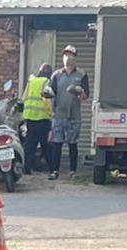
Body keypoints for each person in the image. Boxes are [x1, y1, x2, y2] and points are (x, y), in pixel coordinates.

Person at [48, 45, 90, 178]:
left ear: (75, 57)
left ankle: (73, 171)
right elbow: (51, 93)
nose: (67, 57)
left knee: (73, 144)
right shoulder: (56, 75)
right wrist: (50, 108)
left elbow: (86, 96)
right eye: (65, 55)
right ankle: (54, 171)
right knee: (57, 144)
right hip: (59, 115)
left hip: (74, 115)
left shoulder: (82, 74)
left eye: (70, 54)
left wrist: (79, 92)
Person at [20, 63, 53, 185]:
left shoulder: (31, 81)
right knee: (46, 145)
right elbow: (47, 101)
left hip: (30, 117)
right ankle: (52, 169)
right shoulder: (47, 82)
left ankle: (27, 168)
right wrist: (51, 115)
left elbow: (24, 98)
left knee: (30, 145)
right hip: (42, 118)